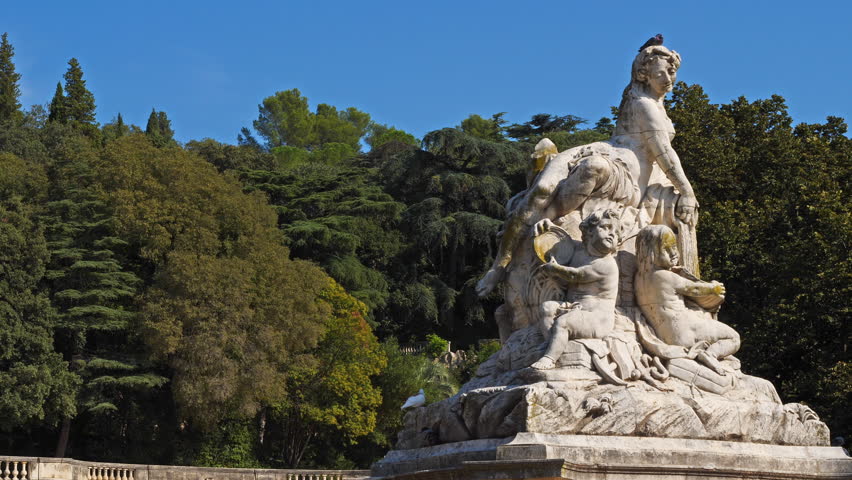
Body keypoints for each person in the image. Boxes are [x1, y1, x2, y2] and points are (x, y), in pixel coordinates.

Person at [477, 45, 697, 297]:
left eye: (671, 72)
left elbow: (663, 152)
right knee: (543, 187)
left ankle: (546, 220)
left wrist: (686, 192)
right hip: (609, 152)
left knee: (592, 167)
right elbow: (664, 153)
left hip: (624, 174)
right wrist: (687, 191)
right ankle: (500, 264)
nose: (668, 79)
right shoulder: (641, 102)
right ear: (643, 75)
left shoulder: (653, 105)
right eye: (660, 74)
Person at [634, 225, 740, 374]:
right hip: (686, 330)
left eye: (674, 247)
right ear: (650, 253)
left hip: (666, 335)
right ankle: (710, 354)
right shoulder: (665, 276)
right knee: (733, 337)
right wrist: (713, 288)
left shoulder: (638, 278)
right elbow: (694, 289)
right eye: (666, 249)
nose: (673, 253)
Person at [530, 210, 620, 370]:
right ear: (589, 231)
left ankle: (550, 358)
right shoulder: (579, 251)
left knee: (564, 322)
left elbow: (576, 275)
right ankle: (553, 343)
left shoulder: (606, 264)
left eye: (617, 232)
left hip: (597, 318)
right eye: (606, 227)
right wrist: (550, 227)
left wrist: (555, 269)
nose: (612, 234)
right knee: (547, 308)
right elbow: (562, 242)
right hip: (575, 307)